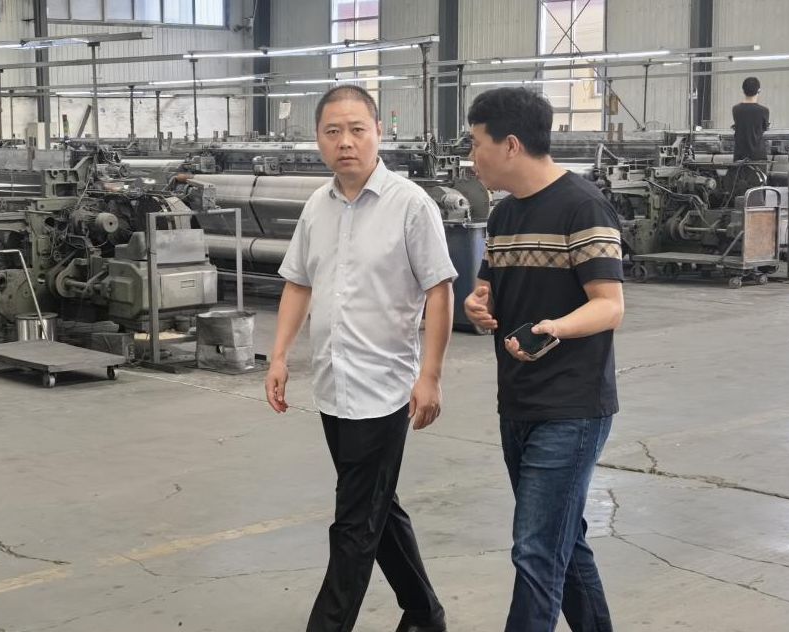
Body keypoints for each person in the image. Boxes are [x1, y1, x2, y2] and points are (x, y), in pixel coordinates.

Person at [265, 84, 456, 632]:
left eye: (356, 130)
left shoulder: (410, 205)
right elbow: (298, 284)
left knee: (353, 524)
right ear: (318, 139)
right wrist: (279, 356)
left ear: (379, 133)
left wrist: (431, 376)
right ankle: (424, 613)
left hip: (383, 389)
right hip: (332, 385)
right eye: (333, 131)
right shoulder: (317, 207)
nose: (345, 142)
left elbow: (439, 289)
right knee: (376, 507)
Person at [463, 87, 625, 632]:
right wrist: (478, 304)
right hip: (518, 402)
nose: (472, 157)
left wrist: (555, 327)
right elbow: (487, 288)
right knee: (562, 543)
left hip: (571, 408)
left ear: (510, 144)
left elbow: (609, 306)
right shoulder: (504, 215)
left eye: (476, 143)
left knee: (535, 550)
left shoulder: (583, 206)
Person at [732, 76, 769, 161]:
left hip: (740, 155)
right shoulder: (764, 110)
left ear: (743, 90)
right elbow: (764, 128)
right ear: (759, 90)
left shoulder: (736, 109)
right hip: (758, 156)